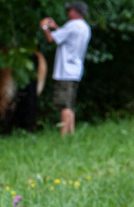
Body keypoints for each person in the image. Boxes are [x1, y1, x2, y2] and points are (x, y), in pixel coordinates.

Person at [41, 2, 92, 136]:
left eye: (70, 10)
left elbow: (51, 38)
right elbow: (66, 36)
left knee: (64, 105)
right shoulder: (85, 27)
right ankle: (71, 133)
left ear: (75, 12)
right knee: (70, 104)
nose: (68, 13)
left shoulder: (72, 25)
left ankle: (63, 135)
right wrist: (55, 27)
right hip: (75, 71)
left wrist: (44, 27)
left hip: (65, 71)